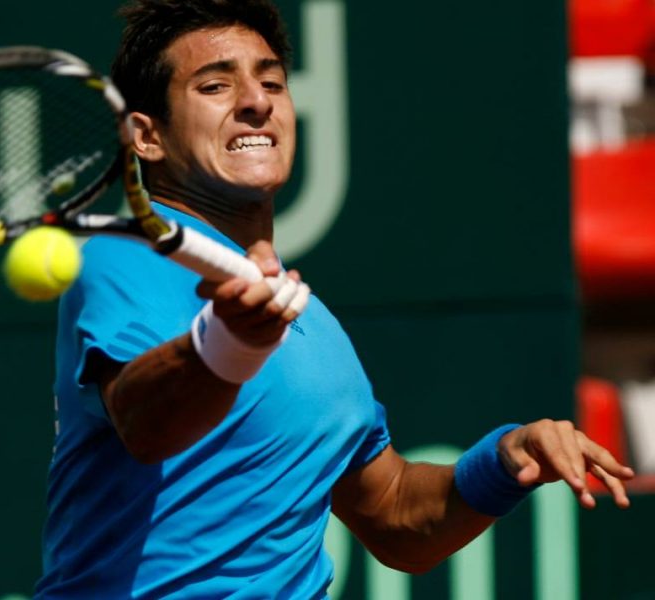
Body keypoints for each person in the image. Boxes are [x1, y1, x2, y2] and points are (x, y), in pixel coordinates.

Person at [35, 0, 635, 597]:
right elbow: (146, 426)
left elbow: (395, 515)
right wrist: (228, 342)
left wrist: (504, 461)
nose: (257, 101)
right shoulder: (127, 257)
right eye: (216, 85)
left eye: (272, 82)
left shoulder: (311, 323)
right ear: (147, 136)